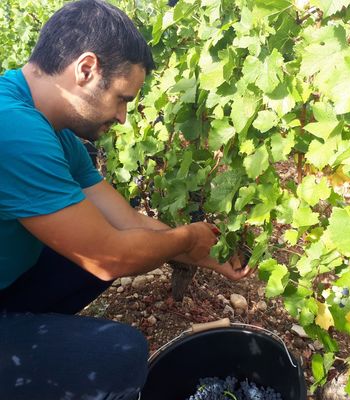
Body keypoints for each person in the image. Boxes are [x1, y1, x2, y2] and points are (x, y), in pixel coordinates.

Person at [0, 1, 250, 399]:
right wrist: (186, 239)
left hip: (9, 283)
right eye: (122, 98)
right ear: (86, 70)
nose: (122, 118)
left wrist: (207, 254)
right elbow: (109, 257)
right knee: (121, 355)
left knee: (104, 247)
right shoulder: (13, 129)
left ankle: (27, 336)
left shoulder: (56, 132)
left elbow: (124, 222)